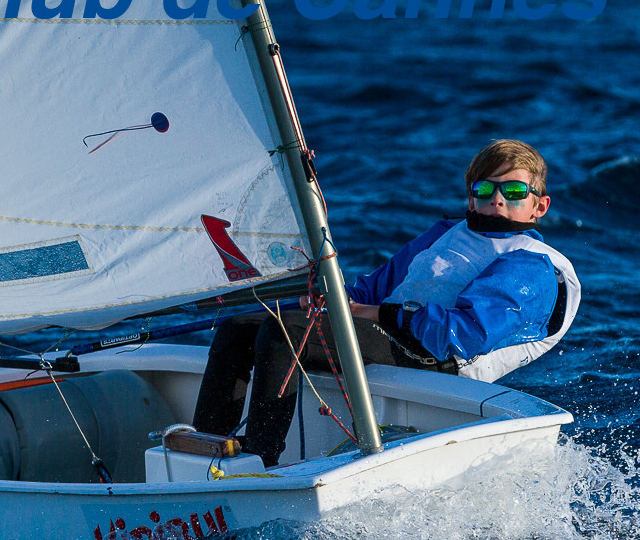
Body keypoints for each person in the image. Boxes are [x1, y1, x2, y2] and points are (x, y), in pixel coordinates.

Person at [192, 139, 580, 466]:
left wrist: (372, 313)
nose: (496, 200)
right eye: (484, 189)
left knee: (286, 332)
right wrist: (331, 301)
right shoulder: (447, 233)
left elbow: (464, 335)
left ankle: (260, 461)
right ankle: (203, 450)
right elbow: (374, 289)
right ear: (470, 195)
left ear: (539, 206)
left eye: (512, 192)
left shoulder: (533, 266)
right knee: (240, 327)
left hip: (440, 360)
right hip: (389, 333)